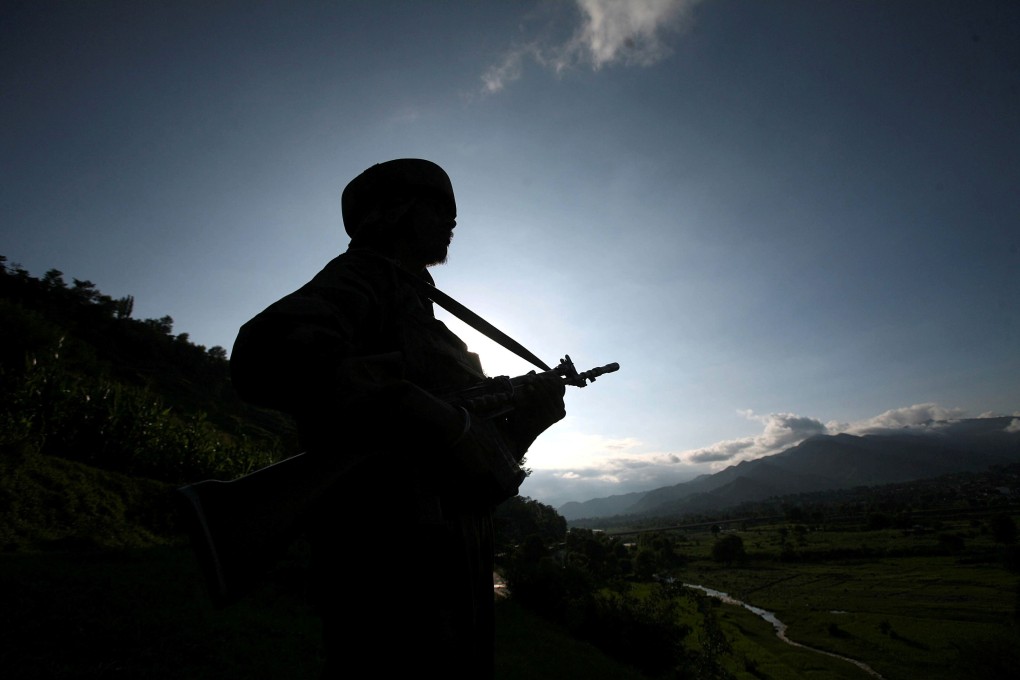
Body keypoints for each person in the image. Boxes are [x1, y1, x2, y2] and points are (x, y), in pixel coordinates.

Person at [228, 158, 566, 678]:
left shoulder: (418, 306)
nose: (452, 222)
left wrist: (523, 424)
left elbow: (466, 462)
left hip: (450, 553)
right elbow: (264, 354)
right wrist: (424, 409)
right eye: (438, 207)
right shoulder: (363, 277)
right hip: (387, 554)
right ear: (394, 211)